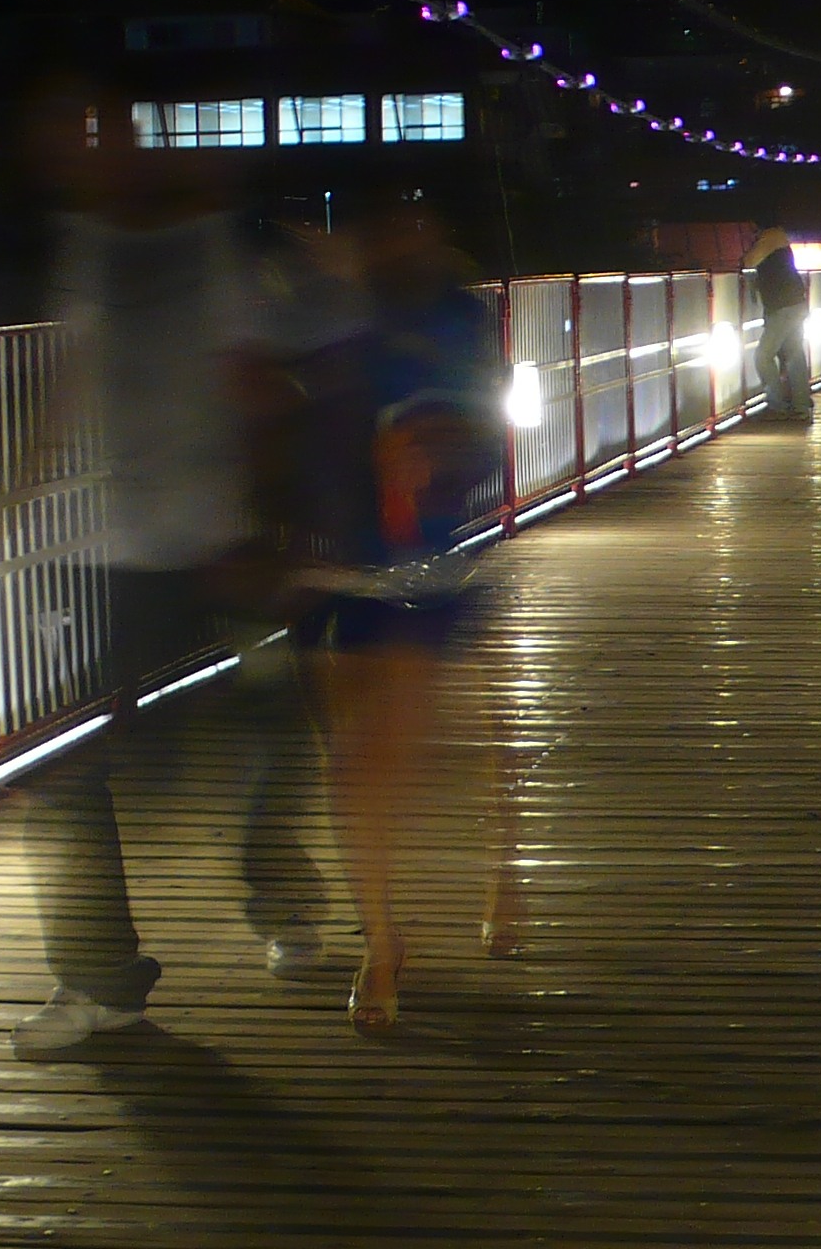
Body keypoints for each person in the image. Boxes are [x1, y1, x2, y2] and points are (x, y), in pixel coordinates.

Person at [11, 103, 331, 1058]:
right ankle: (101, 981)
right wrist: (19, 492)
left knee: (271, 725)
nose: (82, 158)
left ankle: (282, 899)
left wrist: (270, 523)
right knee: (61, 764)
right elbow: (69, 371)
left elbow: (259, 381)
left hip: (220, 545)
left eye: (96, 136)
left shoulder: (207, 249)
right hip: (105, 550)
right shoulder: (85, 248)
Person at [277, 199, 499, 1033]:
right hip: (323, 557)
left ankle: (486, 882)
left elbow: (478, 428)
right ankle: (382, 935)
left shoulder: (454, 317)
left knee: (412, 752)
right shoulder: (318, 313)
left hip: (418, 565)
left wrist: (432, 448)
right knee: (348, 765)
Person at [744, 225, 814, 419]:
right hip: (795, 304)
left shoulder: (771, 238)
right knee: (794, 354)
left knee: (763, 356)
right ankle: (801, 405)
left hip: (783, 307)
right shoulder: (778, 238)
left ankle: (776, 405)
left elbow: (749, 261)